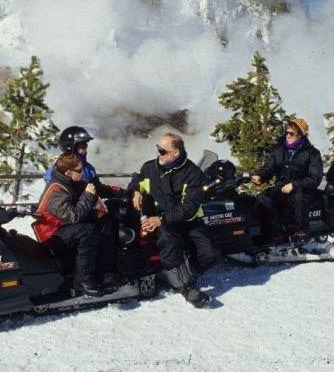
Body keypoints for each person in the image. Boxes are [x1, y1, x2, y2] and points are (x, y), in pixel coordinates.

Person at [127, 132, 221, 308]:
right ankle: (185, 287)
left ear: (175, 152)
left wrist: (162, 219)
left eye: (162, 151)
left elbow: (190, 207)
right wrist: (136, 191)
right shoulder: (150, 168)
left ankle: (183, 272)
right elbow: (138, 181)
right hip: (162, 219)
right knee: (168, 241)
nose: (158, 154)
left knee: (212, 254)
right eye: (157, 149)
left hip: (189, 220)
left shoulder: (193, 173)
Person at [35, 152, 116, 297]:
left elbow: (97, 189)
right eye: (80, 171)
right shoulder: (56, 190)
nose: (83, 173)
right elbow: (74, 217)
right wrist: (88, 196)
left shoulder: (72, 182)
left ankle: (106, 272)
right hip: (52, 236)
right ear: (68, 172)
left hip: (65, 228)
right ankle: (82, 280)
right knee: (88, 231)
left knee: (105, 221)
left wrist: (121, 192)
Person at [251, 117, 323, 240]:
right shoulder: (278, 150)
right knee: (263, 198)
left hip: (302, 189)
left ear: (301, 135)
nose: (287, 136)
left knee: (299, 196)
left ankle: (302, 231)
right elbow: (269, 167)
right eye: (286, 133)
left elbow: (315, 178)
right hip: (282, 188)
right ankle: (277, 232)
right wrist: (260, 176)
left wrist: (294, 185)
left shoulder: (312, 153)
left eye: (291, 133)